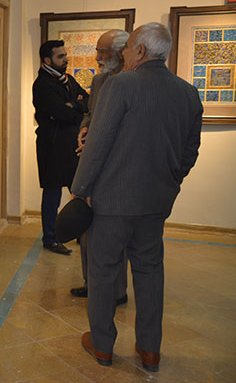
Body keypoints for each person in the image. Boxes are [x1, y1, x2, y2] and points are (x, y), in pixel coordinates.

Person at [71, 23, 202, 372]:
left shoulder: (121, 85)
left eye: (128, 48)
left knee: (103, 271)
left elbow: (98, 143)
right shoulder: (188, 92)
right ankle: (150, 349)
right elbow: (190, 151)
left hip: (112, 203)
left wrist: (80, 189)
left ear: (141, 51)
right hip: (156, 203)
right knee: (149, 272)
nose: (125, 54)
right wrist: (170, 182)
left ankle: (102, 345)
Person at [70, 29, 129, 305]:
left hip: (116, 170)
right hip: (92, 166)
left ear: (121, 53)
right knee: (87, 229)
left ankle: (116, 291)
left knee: (113, 236)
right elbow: (90, 114)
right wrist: (84, 129)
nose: (97, 57)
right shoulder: (99, 80)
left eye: (102, 52)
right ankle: (91, 283)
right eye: (97, 51)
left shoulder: (131, 82)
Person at [33, 40, 88, 254]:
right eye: (60, 56)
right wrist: (75, 110)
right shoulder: (42, 84)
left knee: (78, 191)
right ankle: (50, 238)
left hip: (71, 144)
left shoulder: (69, 80)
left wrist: (73, 104)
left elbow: (88, 101)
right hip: (52, 146)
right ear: (48, 60)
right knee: (52, 194)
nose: (66, 59)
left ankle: (78, 232)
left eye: (65, 55)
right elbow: (61, 113)